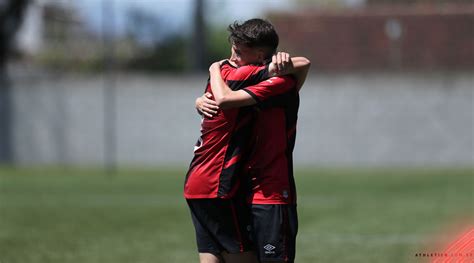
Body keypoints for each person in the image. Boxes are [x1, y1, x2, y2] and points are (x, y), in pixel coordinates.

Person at [185, 19, 310, 263]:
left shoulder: (277, 82)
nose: (232, 56)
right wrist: (200, 97)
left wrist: (212, 70)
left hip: (271, 192)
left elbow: (224, 98)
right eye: (233, 48)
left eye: (239, 51)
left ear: (260, 55)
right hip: (241, 189)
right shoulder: (236, 74)